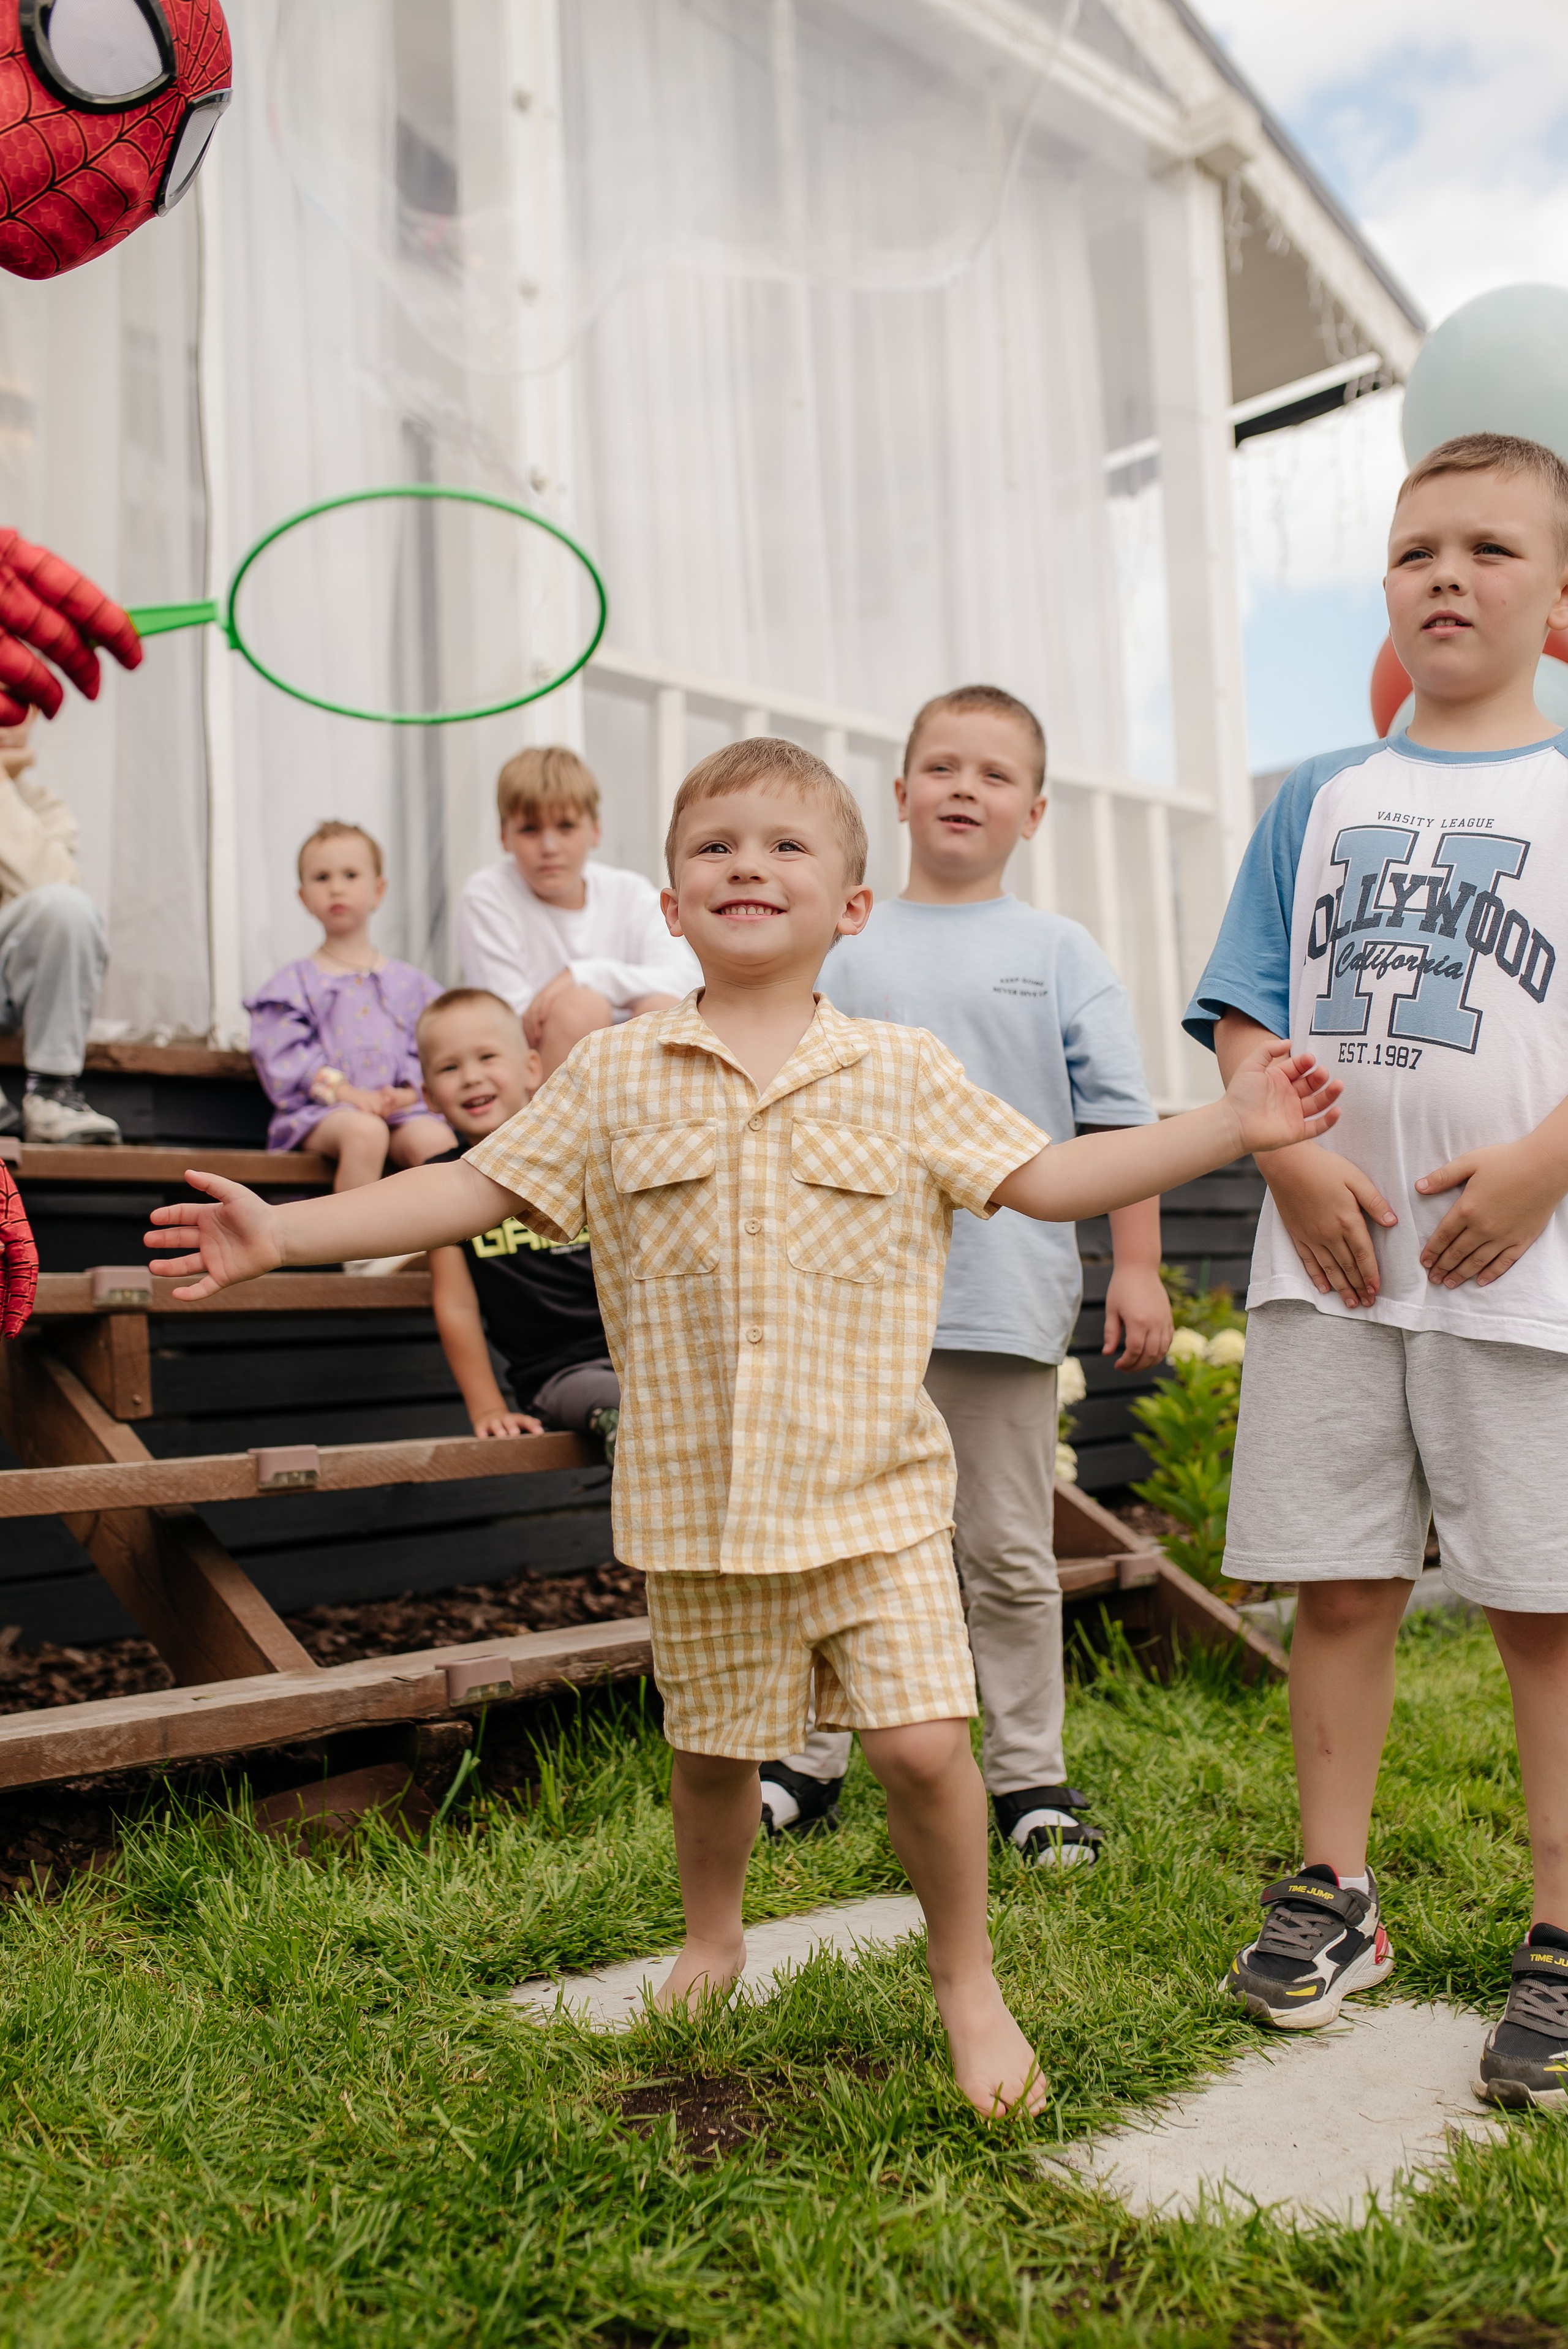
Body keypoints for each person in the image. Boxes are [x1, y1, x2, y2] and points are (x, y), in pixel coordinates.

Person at [145, 735, 1338, 2119]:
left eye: (785, 846)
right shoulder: (608, 1076)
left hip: (873, 1494)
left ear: (850, 905)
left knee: (915, 1747)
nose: (745, 866)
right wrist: (280, 1231)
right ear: (665, 904)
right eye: (713, 847)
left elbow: (1055, 1170)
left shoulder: (902, 1069)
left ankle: (967, 1978)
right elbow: (466, 1195)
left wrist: (1229, 1122)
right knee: (711, 1749)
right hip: (698, 1502)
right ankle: (711, 1935)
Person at [1186, 431, 1568, 2111]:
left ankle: (1563, 1931)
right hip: (1332, 1267)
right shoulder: (1319, 793)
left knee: (1547, 1610)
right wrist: (1278, 1149)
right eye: (1420, 549)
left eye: (1492, 548)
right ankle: (1335, 1892)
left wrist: (1547, 1168)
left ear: (1558, 594)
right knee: (1339, 1584)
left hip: (1527, 1273)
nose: (1449, 575)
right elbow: (1248, 1005)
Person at [764, 684, 1171, 1863]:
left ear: (1033, 811)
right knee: (830, 1538)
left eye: (994, 776)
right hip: (838, 1303)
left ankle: (1032, 1782)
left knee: (1001, 1550)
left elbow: (1120, 1127)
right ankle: (809, 1755)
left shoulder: (1057, 952)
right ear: (897, 795)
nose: (964, 789)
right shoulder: (839, 935)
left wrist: (1135, 1267)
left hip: (999, 1300)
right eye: (942, 767)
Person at [418, 985, 618, 1458]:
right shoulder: (441, 1185)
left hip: (642, 1353)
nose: (470, 1077)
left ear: (532, 1068)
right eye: (450, 1067)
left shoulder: (578, 1155)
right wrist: (488, 1408)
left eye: (487, 1056)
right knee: (629, 1410)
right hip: (560, 1377)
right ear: (428, 1094)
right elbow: (458, 1306)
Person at [456, 744, 698, 1074]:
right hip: (535, 1070)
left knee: (662, 1007)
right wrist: (584, 995)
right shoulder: (487, 894)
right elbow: (508, 1021)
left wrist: (583, 975)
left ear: (595, 830)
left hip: (625, 1061)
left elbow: (686, 979)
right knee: (581, 1008)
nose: (550, 847)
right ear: (504, 837)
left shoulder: (628, 891)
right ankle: (556, 1127)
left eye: (566, 827)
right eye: (530, 830)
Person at [246, 822, 455, 1195]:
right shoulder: (295, 985)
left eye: (351, 875)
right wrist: (350, 1095)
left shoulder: (411, 985)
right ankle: (360, 1252)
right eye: (322, 877)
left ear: (378, 891)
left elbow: (435, 1045)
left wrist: (408, 1092)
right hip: (326, 1113)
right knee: (367, 1132)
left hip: (405, 1108)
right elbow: (287, 1057)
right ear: (304, 897)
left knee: (437, 1140)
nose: (336, 887)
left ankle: (442, 1250)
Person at [0, 709, 121, 1145]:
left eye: (17, 708)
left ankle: (52, 1092)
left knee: (67, 908)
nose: (7, 721)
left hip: (7, 990)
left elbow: (52, 893)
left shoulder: (46, 807)